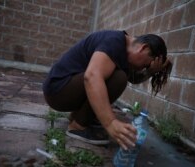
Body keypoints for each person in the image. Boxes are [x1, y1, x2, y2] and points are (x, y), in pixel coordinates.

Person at [43, 30, 172, 150]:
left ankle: (78, 117)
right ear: (143, 48)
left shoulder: (122, 48)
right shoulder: (114, 41)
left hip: (63, 90)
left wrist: (149, 72)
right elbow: (92, 76)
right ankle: (77, 127)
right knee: (119, 78)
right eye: (145, 65)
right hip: (57, 90)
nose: (141, 69)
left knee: (119, 76)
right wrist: (110, 123)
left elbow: (133, 78)